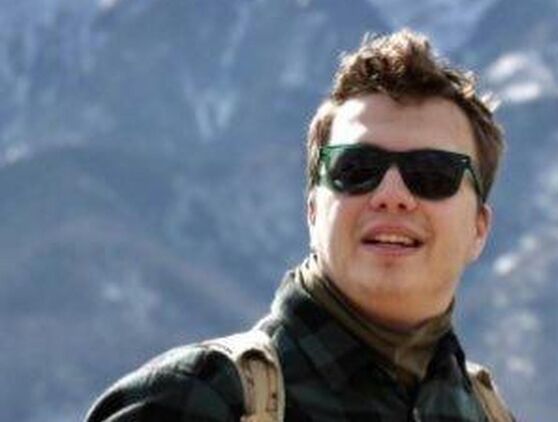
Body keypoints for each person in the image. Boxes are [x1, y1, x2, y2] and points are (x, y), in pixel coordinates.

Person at [86, 29, 515, 421]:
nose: (391, 193)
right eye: (356, 168)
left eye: (433, 173)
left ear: (479, 229)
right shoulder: (198, 400)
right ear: (313, 210)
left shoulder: (486, 414)